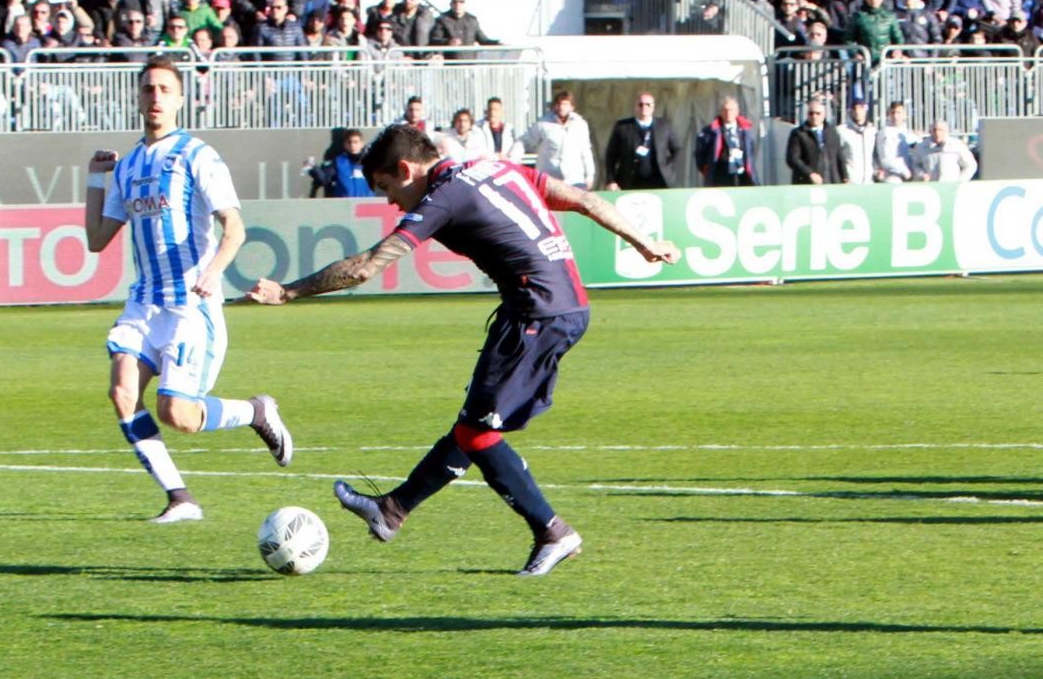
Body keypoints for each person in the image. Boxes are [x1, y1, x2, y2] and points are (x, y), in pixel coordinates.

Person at [242, 124, 681, 576]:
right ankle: (391, 509)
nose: (390, 201)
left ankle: (553, 531)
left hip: (537, 313)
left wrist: (288, 292)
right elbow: (586, 200)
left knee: (478, 434)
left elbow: (365, 268)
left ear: (407, 169)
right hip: (557, 307)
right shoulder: (496, 167)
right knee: (474, 423)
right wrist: (645, 243)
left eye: (388, 188)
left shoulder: (444, 196)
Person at [83, 55, 293, 523]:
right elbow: (97, 239)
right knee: (122, 393)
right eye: (147, 89)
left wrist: (214, 270)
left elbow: (234, 228)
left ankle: (256, 412)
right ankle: (181, 498)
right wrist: (94, 179)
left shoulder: (197, 155)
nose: (155, 97)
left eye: (163, 89)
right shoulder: (129, 163)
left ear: (179, 99)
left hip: (190, 305)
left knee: (178, 414)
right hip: (145, 302)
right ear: (138, 99)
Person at [603, 91, 682, 190]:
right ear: (635, 107)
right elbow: (611, 156)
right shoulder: (622, 127)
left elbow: (677, 148)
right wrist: (611, 180)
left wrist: (667, 167)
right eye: (640, 104)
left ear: (653, 107)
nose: (644, 107)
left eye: (648, 104)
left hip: (659, 182)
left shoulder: (664, 126)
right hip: (629, 182)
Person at [521, 91, 596, 188]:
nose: (561, 107)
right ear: (554, 106)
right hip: (548, 179)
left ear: (572, 107)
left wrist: (590, 175)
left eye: (565, 104)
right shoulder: (543, 124)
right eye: (559, 104)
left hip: (574, 179)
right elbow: (525, 141)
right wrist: (511, 160)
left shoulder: (580, 125)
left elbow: (585, 151)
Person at [694, 96, 757, 186]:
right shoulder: (710, 131)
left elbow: (751, 152)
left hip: (742, 176)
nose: (728, 113)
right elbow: (700, 155)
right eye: (725, 110)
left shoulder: (745, 130)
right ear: (721, 112)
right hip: (720, 177)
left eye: (731, 110)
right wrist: (708, 170)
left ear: (737, 111)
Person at [785, 100, 846, 185]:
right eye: (811, 113)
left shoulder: (832, 132)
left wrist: (845, 177)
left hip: (831, 181)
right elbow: (793, 159)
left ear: (824, 115)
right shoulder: (799, 133)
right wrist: (810, 173)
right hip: (808, 183)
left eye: (818, 113)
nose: (814, 116)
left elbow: (839, 156)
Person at [308, 128, 373, 197]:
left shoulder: (372, 161)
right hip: (344, 204)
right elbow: (325, 179)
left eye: (355, 142)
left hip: (367, 205)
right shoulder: (338, 162)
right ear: (345, 145)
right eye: (349, 142)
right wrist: (313, 168)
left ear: (362, 144)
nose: (352, 145)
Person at [911, 120, 978, 182]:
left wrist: (959, 182)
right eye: (934, 130)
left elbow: (970, 165)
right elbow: (915, 165)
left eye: (940, 130)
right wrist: (921, 174)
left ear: (946, 131)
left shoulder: (956, 145)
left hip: (951, 187)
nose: (937, 133)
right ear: (930, 132)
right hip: (930, 188)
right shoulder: (921, 147)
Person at [836, 98, 878, 185]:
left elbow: (875, 155)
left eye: (861, 108)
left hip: (869, 182)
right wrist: (844, 176)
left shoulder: (872, 131)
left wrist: (877, 170)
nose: (857, 111)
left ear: (866, 110)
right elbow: (837, 155)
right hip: (850, 182)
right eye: (855, 108)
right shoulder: (842, 130)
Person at [875, 101, 918, 182]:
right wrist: (906, 172)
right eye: (893, 113)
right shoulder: (885, 132)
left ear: (904, 115)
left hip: (909, 177)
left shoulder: (907, 133)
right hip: (892, 177)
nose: (895, 116)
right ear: (888, 115)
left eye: (899, 113)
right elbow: (886, 159)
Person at [478, 97, 525, 161]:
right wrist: (495, 157)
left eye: (496, 110)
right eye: (490, 109)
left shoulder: (509, 129)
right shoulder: (478, 129)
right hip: (485, 166)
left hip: (507, 166)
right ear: (486, 112)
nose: (492, 112)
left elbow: (518, 148)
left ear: (501, 112)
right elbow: (477, 151)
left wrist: (509, 160)